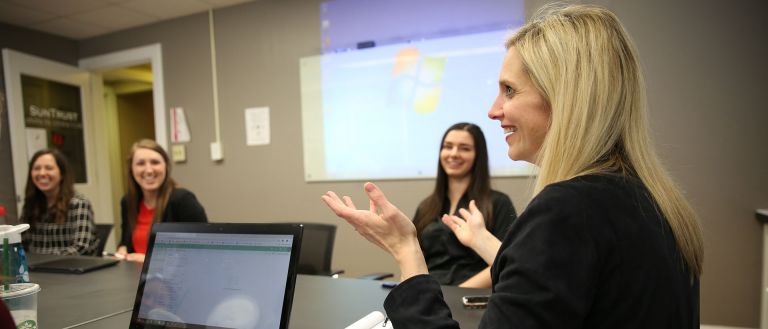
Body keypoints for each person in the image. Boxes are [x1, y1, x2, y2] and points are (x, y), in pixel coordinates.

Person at [321, 4, 703, 328]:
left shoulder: (567, 209)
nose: (494, 110)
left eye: (509, 90)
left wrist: (406, 250)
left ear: (564, 98)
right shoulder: (650, 202)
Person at [413, 122, 516, 288]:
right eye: (448, 147)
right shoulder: (426, 206)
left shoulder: (498, 203)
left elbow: (507, 261)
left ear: (478, 155)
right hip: (431, 296)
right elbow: (415, 257)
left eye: (464, 148)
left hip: (473, 298)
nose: (454, 154)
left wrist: (456, 293)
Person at [116, 139, 207, 262]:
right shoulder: (128, 202)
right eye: (141, 163)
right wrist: (122, 249)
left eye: (155, 162)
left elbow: (201, 252)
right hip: (135, 278)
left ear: (166, 166)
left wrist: (148, 261)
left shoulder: (183, 200)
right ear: (131, 169)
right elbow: (126, 243)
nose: (149, 170)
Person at [20, 149, 98, 255]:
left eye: (49, 168)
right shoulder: (30, 204)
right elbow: (22, 245)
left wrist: (40, 258)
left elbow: (81, 248)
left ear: (62, 174)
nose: (42, 173)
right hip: (34, 269)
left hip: (69, 268)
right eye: (37, 168)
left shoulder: (78, 204)